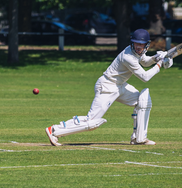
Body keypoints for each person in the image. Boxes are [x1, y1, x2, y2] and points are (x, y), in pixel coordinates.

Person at [45, 29, 173, 146]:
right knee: (92, 122)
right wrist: (160, 65)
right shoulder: (128, 57)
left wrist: (156, 58)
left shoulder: (137, 52)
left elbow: (145, 62)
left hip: (120, 86)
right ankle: (55, 130)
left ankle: (138, 138)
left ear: (146, 45)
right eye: (136, 44)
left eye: (141, 44)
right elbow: (145, 77)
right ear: (132, 43)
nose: (138, 47)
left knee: (142, 101)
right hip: (107, 86)